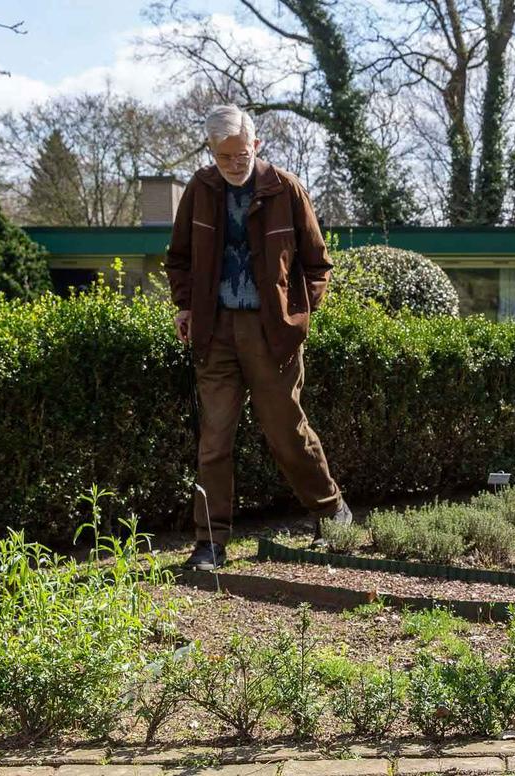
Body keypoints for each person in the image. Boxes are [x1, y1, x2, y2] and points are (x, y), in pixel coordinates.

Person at [165, 104, 351, 571]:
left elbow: (317, 263)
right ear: (211, 152)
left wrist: (298, 316)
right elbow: (180, 258)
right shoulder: (200, 190)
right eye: (224, 156)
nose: (234, 163)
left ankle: (332, 513)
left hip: (273, 333)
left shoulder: (284, 188)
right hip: (215, 332)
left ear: (257, 145)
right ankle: (211, 544)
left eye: (241, 153)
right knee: (214, 440)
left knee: (286, 431)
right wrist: (185, 306)